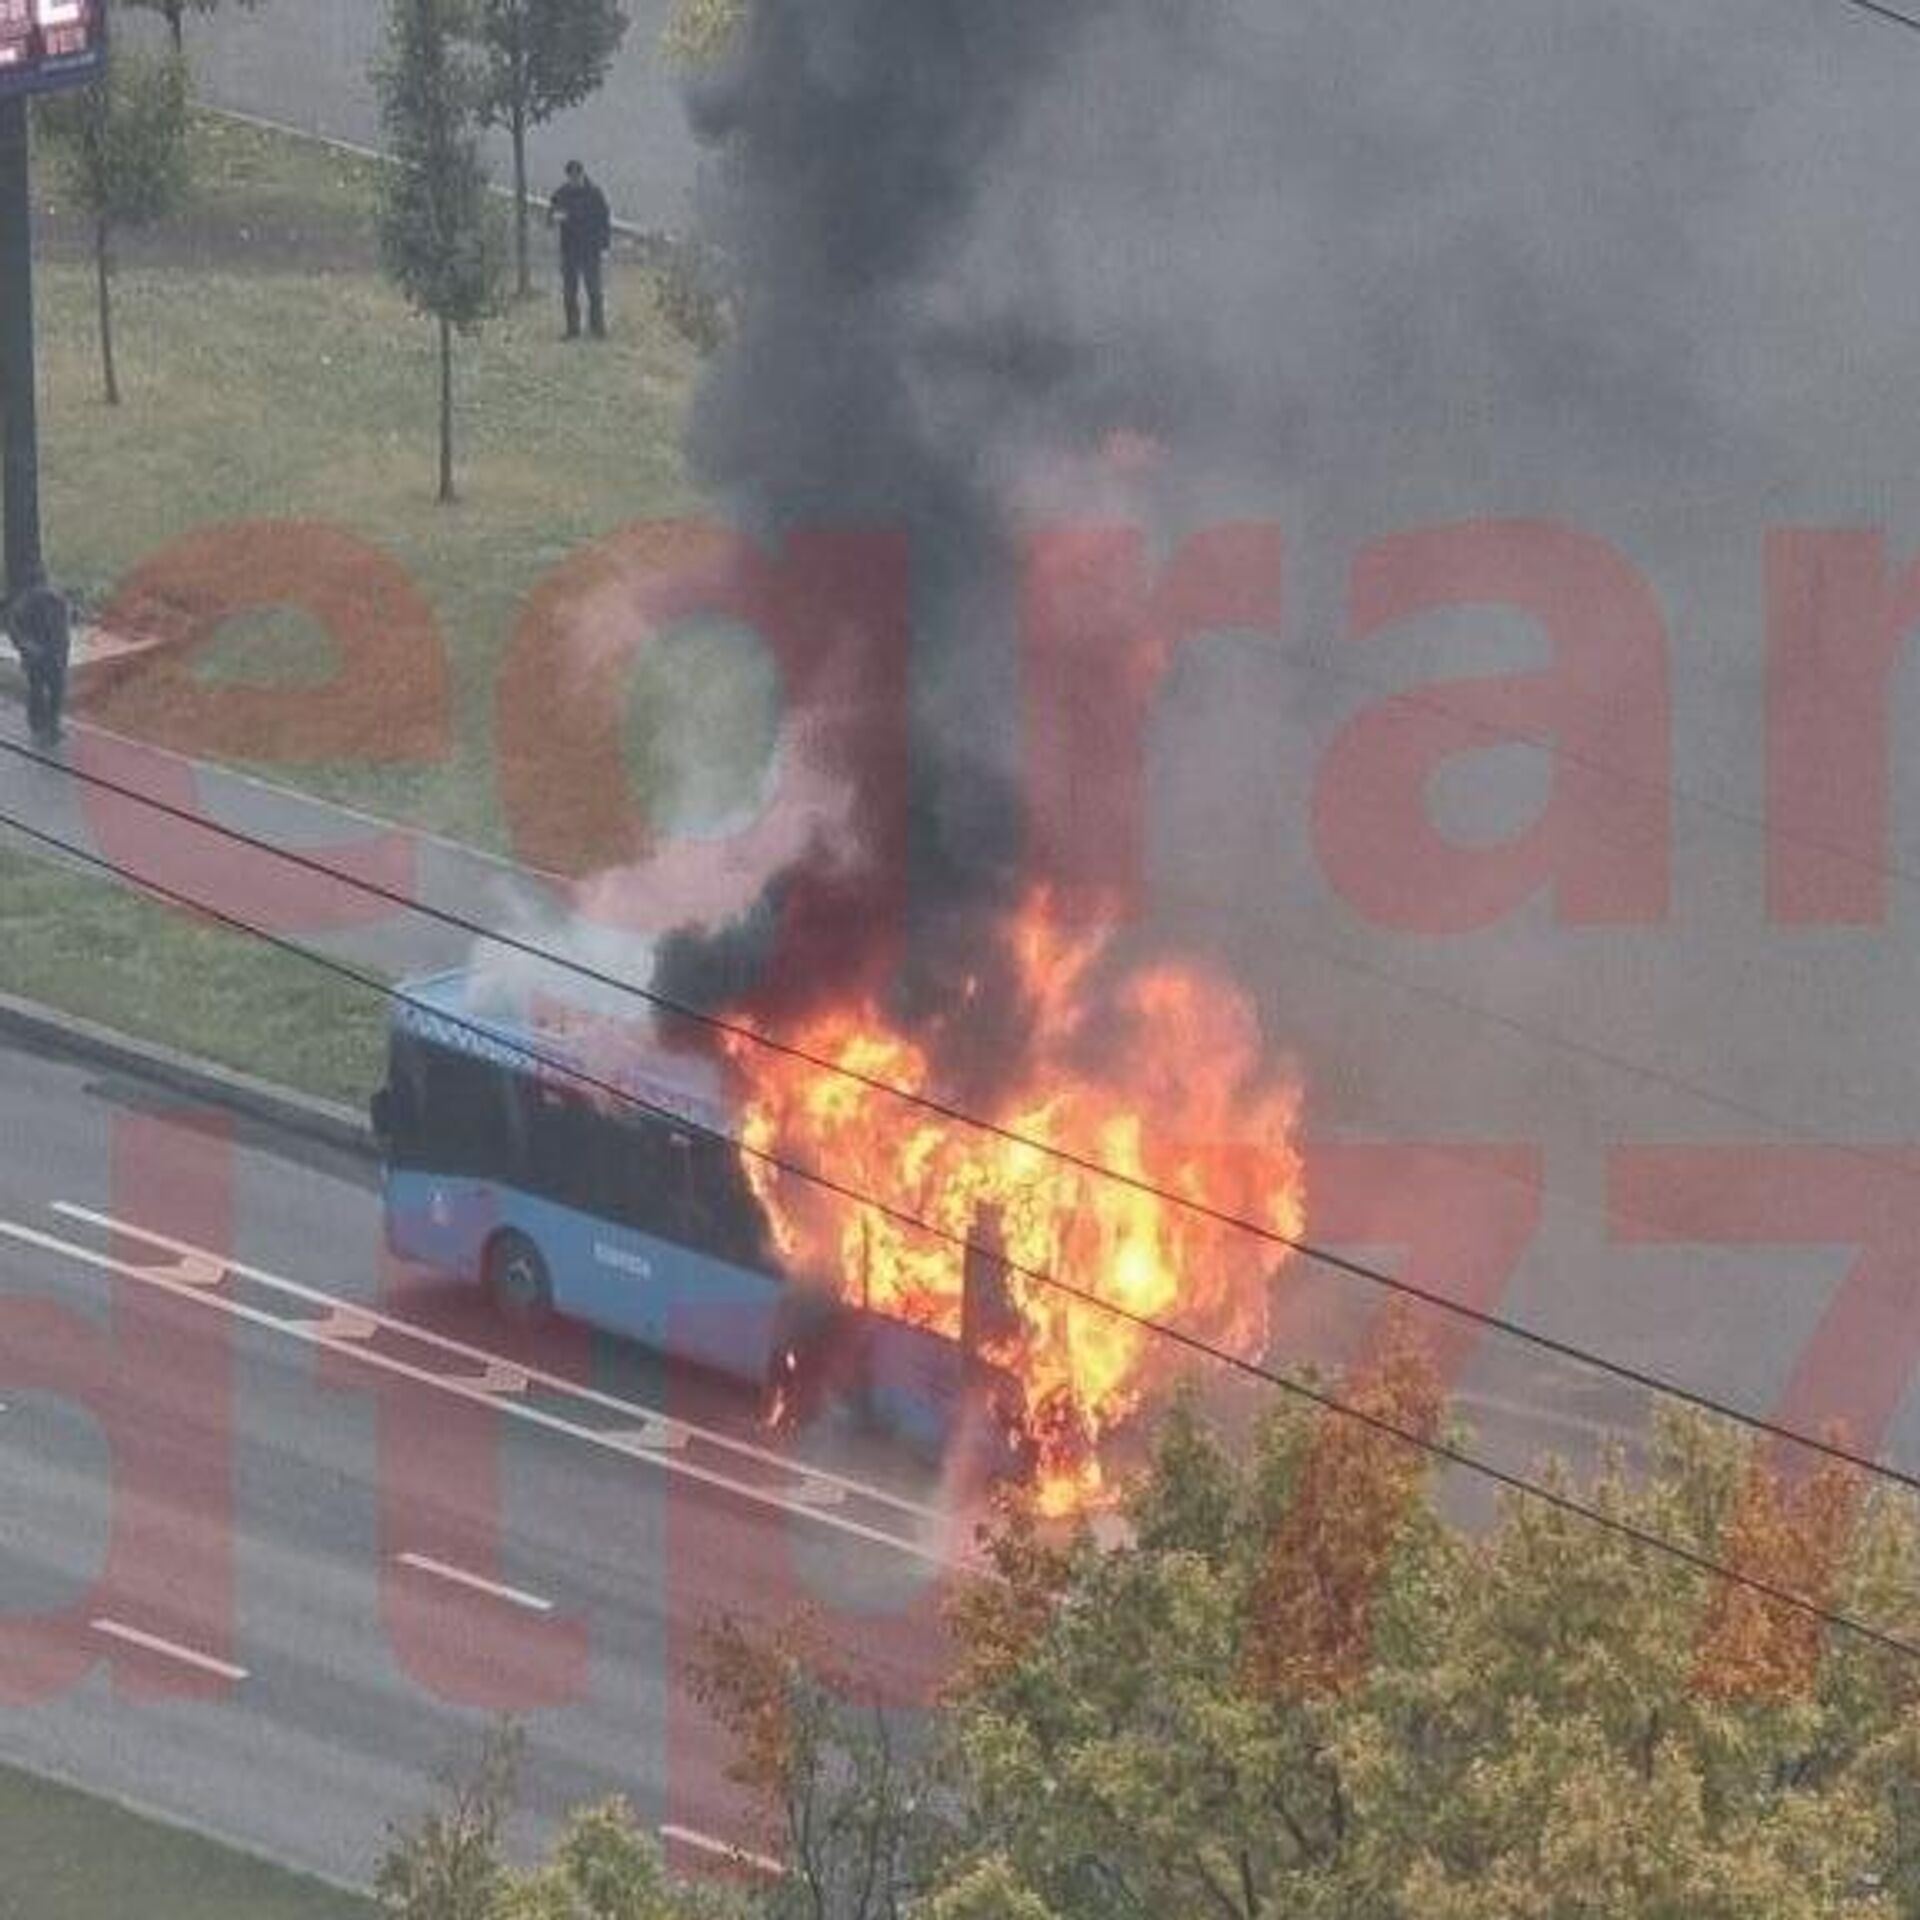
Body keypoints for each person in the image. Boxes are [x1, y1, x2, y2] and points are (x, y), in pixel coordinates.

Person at [547, 160, 612, 340]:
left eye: (577, 176)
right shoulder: (561, 194)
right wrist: (555, 217)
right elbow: (550, 217)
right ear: (568, 177)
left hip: (591, 249)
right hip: (569, 250)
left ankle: (598, 329)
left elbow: (604, 222)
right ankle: (572, 330)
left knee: (594, 291)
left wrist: (605, 247)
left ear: (582, 174)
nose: (574, 180)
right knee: (569, 292)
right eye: (571, 177)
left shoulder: (595, 194)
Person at [3, 580, 72, 748]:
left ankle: (51, 725)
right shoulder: (30, 603)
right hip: (37, 655)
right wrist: (26, 646)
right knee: (37, 687)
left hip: (54, 654)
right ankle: (37, 723)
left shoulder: (60, 605)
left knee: (57, 689)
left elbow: (63, 634)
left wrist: (62, 656)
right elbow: (13, 627)